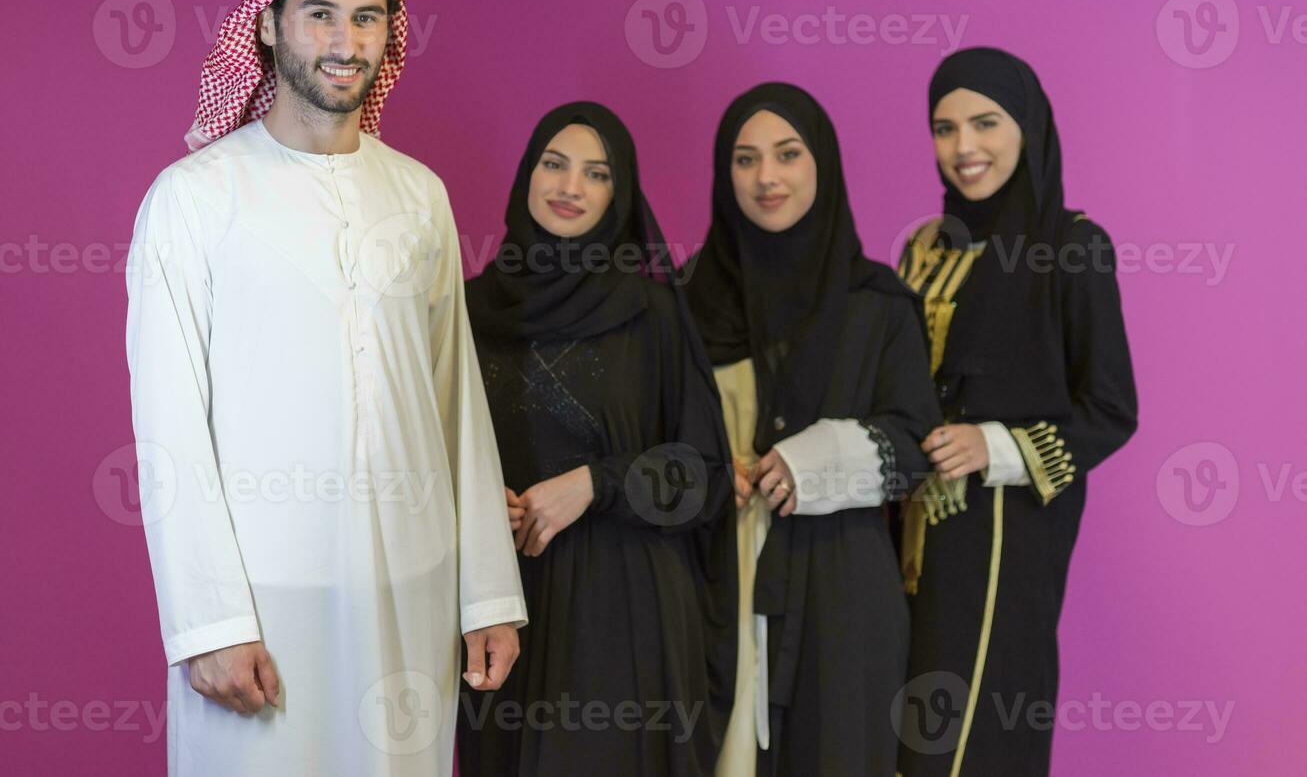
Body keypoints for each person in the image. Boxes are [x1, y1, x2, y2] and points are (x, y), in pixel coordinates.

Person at [125, 0, 526, 777]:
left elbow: (455, 408)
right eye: (320, 13)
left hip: (409, 591)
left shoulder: (419, 195)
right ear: (268, 24)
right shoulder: (193, 199)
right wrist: (210, 625)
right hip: (266, 609)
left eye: (368, 17)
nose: (346, 41)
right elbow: (169, 426)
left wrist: (487, 594)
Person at [457, 102, 737, 776]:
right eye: (553, 164)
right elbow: (424, 451)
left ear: (619, 195)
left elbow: (705, 473)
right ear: (527, 175)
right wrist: (468, 496)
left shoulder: (651, 313)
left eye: (596, 173)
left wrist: (594, 484)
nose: (569, 186)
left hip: (624, 610)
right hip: (499, 603)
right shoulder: (466, 307)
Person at [896, 47, 1138, 777]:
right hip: (902, 529)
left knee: (979, 727)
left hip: (1006, 532)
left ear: (1027, 126)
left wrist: (991, 445)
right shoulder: (924, 247)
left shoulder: (1071, 247)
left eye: (985, 122)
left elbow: (1109, 409)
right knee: (901, 730)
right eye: (944, 127)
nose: (964, 147)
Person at [684, 83, 938, 776]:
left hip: (843, 592)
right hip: (710, 581)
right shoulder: (684, 301)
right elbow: (651, 434)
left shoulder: (877, 304)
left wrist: (820, 457)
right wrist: (702, 474)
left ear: (820, 164)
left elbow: (917, 440)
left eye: (788, 154)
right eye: (744, 159)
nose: (766, 177)